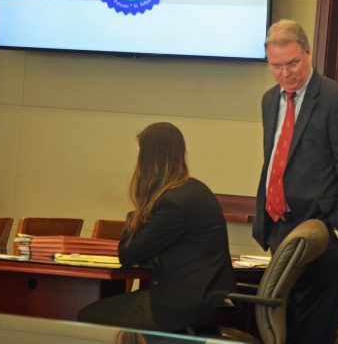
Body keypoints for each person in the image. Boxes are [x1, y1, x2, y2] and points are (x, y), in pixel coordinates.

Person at [252, 19, 338, 344]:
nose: (285, 73)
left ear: (308, 54)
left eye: (292, 63)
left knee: (311, 333)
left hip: (323, 235)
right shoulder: (269, 100)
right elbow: (277, 161)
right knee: (280, 327)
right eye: (276, 66)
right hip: (280, 230)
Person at [78, 122, 236, 332]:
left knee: (88, 317)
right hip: (206, 299)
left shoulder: (172, 203)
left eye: (140, 155)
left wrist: (138, 210)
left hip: (181, 306)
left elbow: (128, 255)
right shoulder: (197, 190)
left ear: (150, 159)